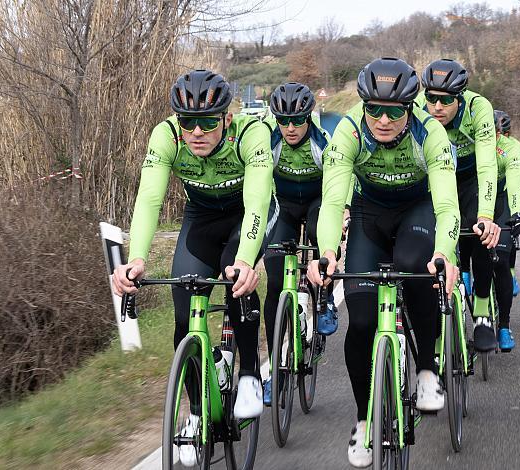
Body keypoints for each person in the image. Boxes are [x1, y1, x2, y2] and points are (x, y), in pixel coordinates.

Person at [111, 69, 275, 465]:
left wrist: (246, 260)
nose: (196, 132)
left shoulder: (250, 135)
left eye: (206, 122)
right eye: (188, 122)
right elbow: (149, 198)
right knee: (185, 317)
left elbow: (256, 203)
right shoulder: (166, 136)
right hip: (200, 218)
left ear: (227, 118)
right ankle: (198, 411)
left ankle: (250, 374)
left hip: (247, 217)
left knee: (236, 279)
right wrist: (135, 259)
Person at [307, 57, 460, 468]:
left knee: (417, 268)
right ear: (364, 106)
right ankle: (363, 421)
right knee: (359, 321)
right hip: (369, 215)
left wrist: (444, 252)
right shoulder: (350, 132)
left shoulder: (431, 135)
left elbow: (446, 203)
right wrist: (325, 251)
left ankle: (427, 370)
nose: (384, 120)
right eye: (374, 109)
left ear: (411, 108)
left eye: (394, 111)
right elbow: (333, 199)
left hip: (417, 212)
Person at [260, 81, 347, 406]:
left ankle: (324, 298)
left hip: (317, 202)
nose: (291, 127)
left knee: (320, 235)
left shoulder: (322, 139)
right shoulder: (268, 138)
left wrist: (343, 213)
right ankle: (275, 367)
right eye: (284, 120)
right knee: (274, 281)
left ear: (309, 117)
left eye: (298, 120)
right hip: (283, 206)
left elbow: (340, 183)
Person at [417, 58, 501, 352]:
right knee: (432, 242)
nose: (437, 107)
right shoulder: (416, 107)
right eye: (432, 98)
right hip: (435, 177)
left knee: (480, 235)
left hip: (470, 178)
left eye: (446, 100)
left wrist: (486, 215)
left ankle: (481, 313)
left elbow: (488, 165)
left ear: (460, 97)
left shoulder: (479, 109)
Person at [493, 110, 520, 350]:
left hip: (502, 202)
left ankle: (504, 326)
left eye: (498, 132)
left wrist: (517, 211)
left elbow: (517, 181)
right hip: (472, 201)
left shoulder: (510, 148)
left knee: (500, 262)